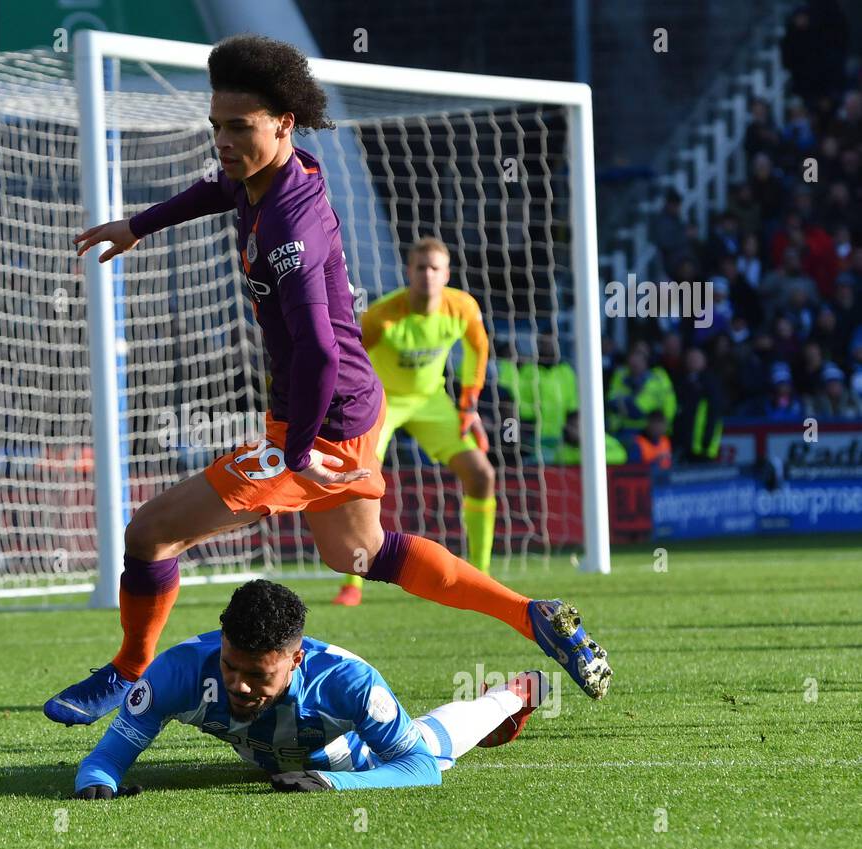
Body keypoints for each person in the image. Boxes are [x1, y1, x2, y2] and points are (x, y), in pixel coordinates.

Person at [47, 34, 611, 727]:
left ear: (283, 122)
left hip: (320, 419)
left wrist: (296, 453)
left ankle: (127, 674)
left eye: (239, 127)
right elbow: (219, 187)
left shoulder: (290, 228)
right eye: (216, 125)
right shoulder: (278, 173)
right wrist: (140, 224)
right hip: (349, 404)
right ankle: (531, 616)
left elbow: (313, 348)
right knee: (362, 552)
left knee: (150, 534)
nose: (223, 141)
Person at [72, 580, 551, 798]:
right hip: (277, 762)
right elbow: (106, 758)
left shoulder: (349, 684)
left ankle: (513, 694)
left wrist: (331, 781)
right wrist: (97, 783)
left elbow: (420, 770)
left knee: (431, 745)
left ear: (295, 660)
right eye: (230, 665)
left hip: (350, 756)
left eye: (259, 676)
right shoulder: (176, 673)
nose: (238, 684)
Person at [332, 236, 496, 607]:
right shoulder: (382, 316)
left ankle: (481, 575)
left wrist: (468, 408)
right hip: (382, 402)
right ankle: (352, 584)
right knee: (360, 482)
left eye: (434, 268)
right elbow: (346, 359)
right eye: (420, 268)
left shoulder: (462, 308)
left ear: (447, 274)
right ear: (408, 272)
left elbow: (477, 351)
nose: (427, 275)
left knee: (482, 474)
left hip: (431, 401)